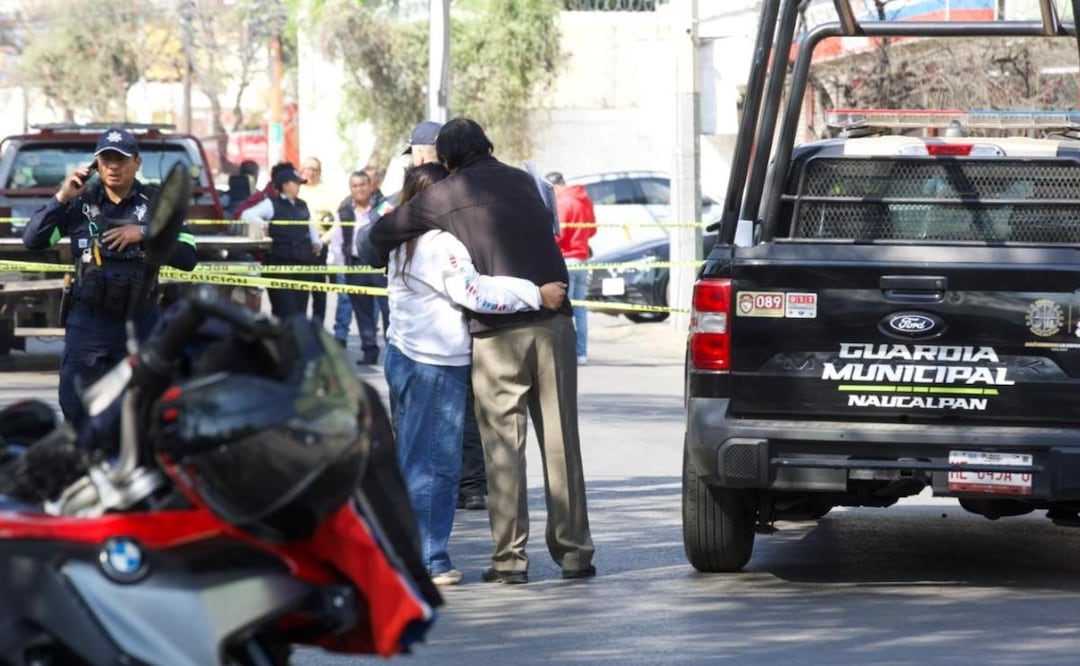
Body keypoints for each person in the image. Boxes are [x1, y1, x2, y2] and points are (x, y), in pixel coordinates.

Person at [368, 117, 596, 584]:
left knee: (502, 449)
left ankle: (510, 561)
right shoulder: (526, 181)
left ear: (448, 160)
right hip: (554, 323)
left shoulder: (445, 194)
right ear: (488, 145)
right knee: (561, 441)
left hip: (497, 334)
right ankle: (574, 553)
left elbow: (379, 235)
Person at [21, 128, 199, 431]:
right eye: (106, 160)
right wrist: (62, 196)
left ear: (137, 163)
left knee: (147, 410)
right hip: (89, 323)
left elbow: (188, 257)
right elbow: (33, 240)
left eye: (121, 159)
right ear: (96, 164)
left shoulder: (157, 202)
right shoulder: (79, 201)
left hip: (141, 320)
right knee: (76, 407)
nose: (113, 166)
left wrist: (144, 233)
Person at [241, 163, 320, 318]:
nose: (298, 186)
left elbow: (309, 224)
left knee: (300, 310)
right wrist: (263, 225)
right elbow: (247, 215)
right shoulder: (271, 204)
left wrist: (316, 241)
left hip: (303, 264)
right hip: (280, 264)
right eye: (295, 183)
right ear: (285, 185)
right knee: (285, 310)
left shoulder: (302, 205)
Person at [338, 169, 388, 364]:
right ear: (351, 188)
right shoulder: (344, 210)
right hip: (355, 266)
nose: (359, 189)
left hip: (380, 265)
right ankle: (369, 351)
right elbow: (337, 239)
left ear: (370, 186)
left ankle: (393, 350)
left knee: (388, 311)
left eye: (362, 185)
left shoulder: (382, 207)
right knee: (363, 313)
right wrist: (343, 267)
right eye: (355, 186)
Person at [546, 171, 597, 365]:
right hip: (582, 259)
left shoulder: (562, 201)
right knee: (580, 308)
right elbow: (592, 229)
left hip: (565, 259)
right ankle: (581, 353)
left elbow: (559, 233)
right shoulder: (584, 199)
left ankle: (563, 351)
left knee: (562, 308)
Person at [301, 157, 339, 326]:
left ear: (319, 172)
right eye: (307, 168)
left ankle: (317, 328)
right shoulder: (297, 188)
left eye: (314, 169)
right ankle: (299, 328)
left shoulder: (326, 192)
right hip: (299, 246)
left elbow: (338, 221)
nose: (310, 172)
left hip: (319, 247)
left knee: (318, 289)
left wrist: (323, 241)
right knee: (299, 290)